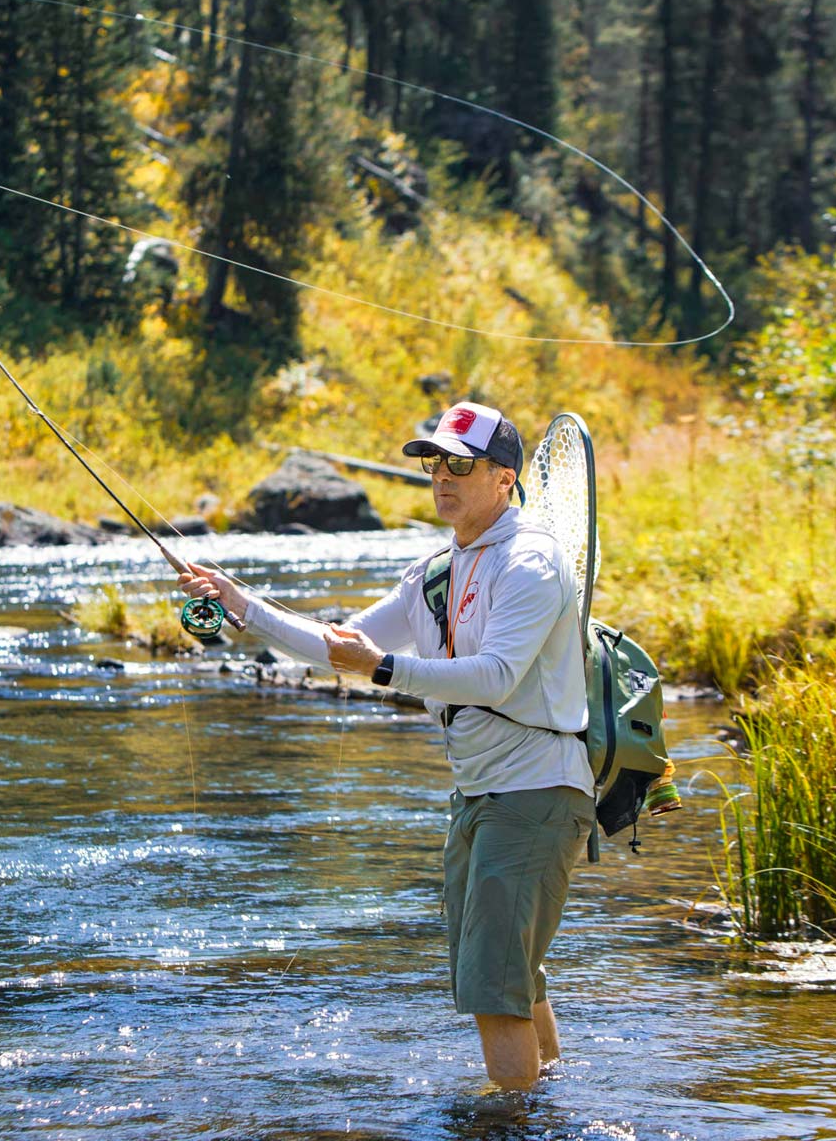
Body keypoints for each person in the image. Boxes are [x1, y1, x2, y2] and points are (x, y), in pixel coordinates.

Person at [179, 401, 593, 1092]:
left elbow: (495, 677)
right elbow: (338, 646)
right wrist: (239, 604)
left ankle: (512, 1127)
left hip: (538, 792)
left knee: (494, 982)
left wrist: (384, 668)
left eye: (461, 464)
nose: (442, 478)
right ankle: (549, 1099)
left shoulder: (532, 562)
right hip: (480, 797)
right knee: (506, 968)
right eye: (434, 464)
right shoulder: (434, 572)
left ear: (504, 479)